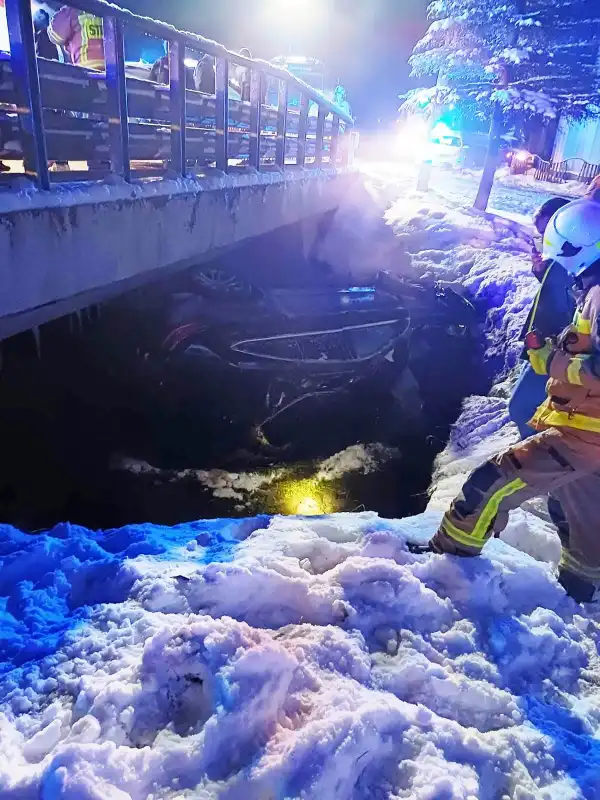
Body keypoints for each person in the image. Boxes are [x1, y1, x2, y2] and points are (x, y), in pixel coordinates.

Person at [430, 198, 600, 603]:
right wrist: (558, 350)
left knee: (492, 483)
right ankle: (579, 588)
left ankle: (445, 564)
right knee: (586, 521)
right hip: (588, 434)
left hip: (584, 433)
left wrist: (554, 361)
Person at [509, 197, 573, 439]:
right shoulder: (562, 257)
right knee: (529, 408)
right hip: (543, 347)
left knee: (521, 407)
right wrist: (541, 273)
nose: (545, 242)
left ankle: (533, 458)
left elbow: (573, 305)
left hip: (556, 351)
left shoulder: (577, 262)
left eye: (547, 233)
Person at [48, 6, 105, 71]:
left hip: (85, 69)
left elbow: (56, 36)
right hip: (112, 69)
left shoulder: (71, 10)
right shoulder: (104, 8)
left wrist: (49, 27)